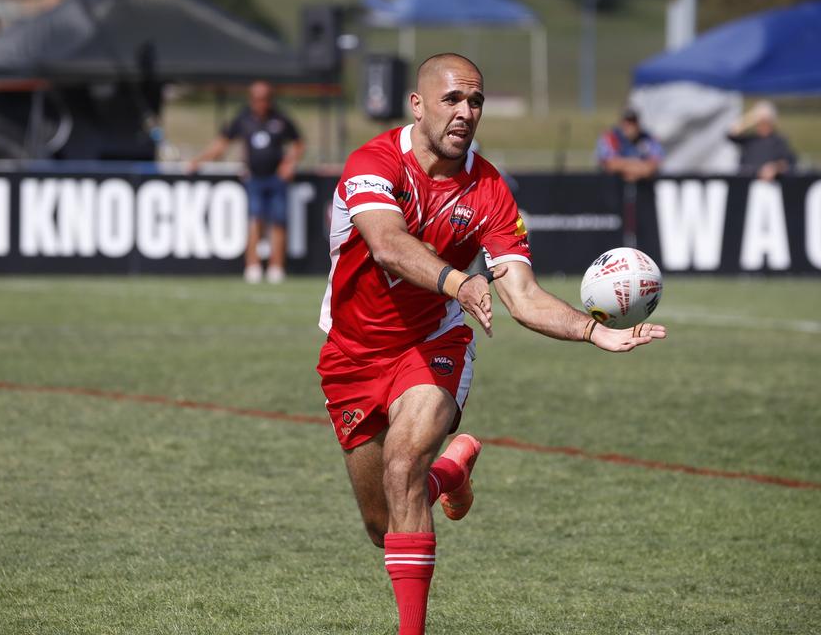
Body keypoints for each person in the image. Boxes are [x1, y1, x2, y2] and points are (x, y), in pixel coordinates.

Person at [316, 53, 667, 635]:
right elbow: (386, 244)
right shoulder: (373, 163)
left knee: (402, 467)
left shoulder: (489, 190)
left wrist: (593, 329)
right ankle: (448, 474)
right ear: (419, 104)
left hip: (434, 340)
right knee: (383, 523)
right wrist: (460, 278)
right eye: (452, 99)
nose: (466, 112)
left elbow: (522, 295)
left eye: (475, 101)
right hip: (351, 352)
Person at [189, 81, 304, 283]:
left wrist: (289, 163)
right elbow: (222, 143)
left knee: (279, 222)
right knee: (255, 220)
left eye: (265, 99)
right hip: (254, 178)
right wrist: (199, 161)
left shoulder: (280, 118)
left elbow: (298, 143)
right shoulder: (243, 119)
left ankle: (276, 268)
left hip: (276, 178)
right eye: (257, 99)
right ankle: (253, 266)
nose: (261, 103)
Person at [728, 100, 797, 181]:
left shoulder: (778, 141)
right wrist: (751, 117)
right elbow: (731, 133)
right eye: (760, 122)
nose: (762, 125)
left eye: (765, 121)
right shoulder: (750, 139)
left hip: (769, 187)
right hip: (746, 184)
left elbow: (788, 162)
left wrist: (774, 168)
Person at [596, 108, 664, 182]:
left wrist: (625, 168)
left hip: (643, 188)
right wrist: (639, 166)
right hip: (613, 188)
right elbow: (610, 164)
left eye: (632, 122)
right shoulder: (610, 137)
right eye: (626, 122)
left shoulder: (648, 138)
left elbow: (653, 166)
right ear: (620, 122)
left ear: (638, 124)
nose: (629, 126)